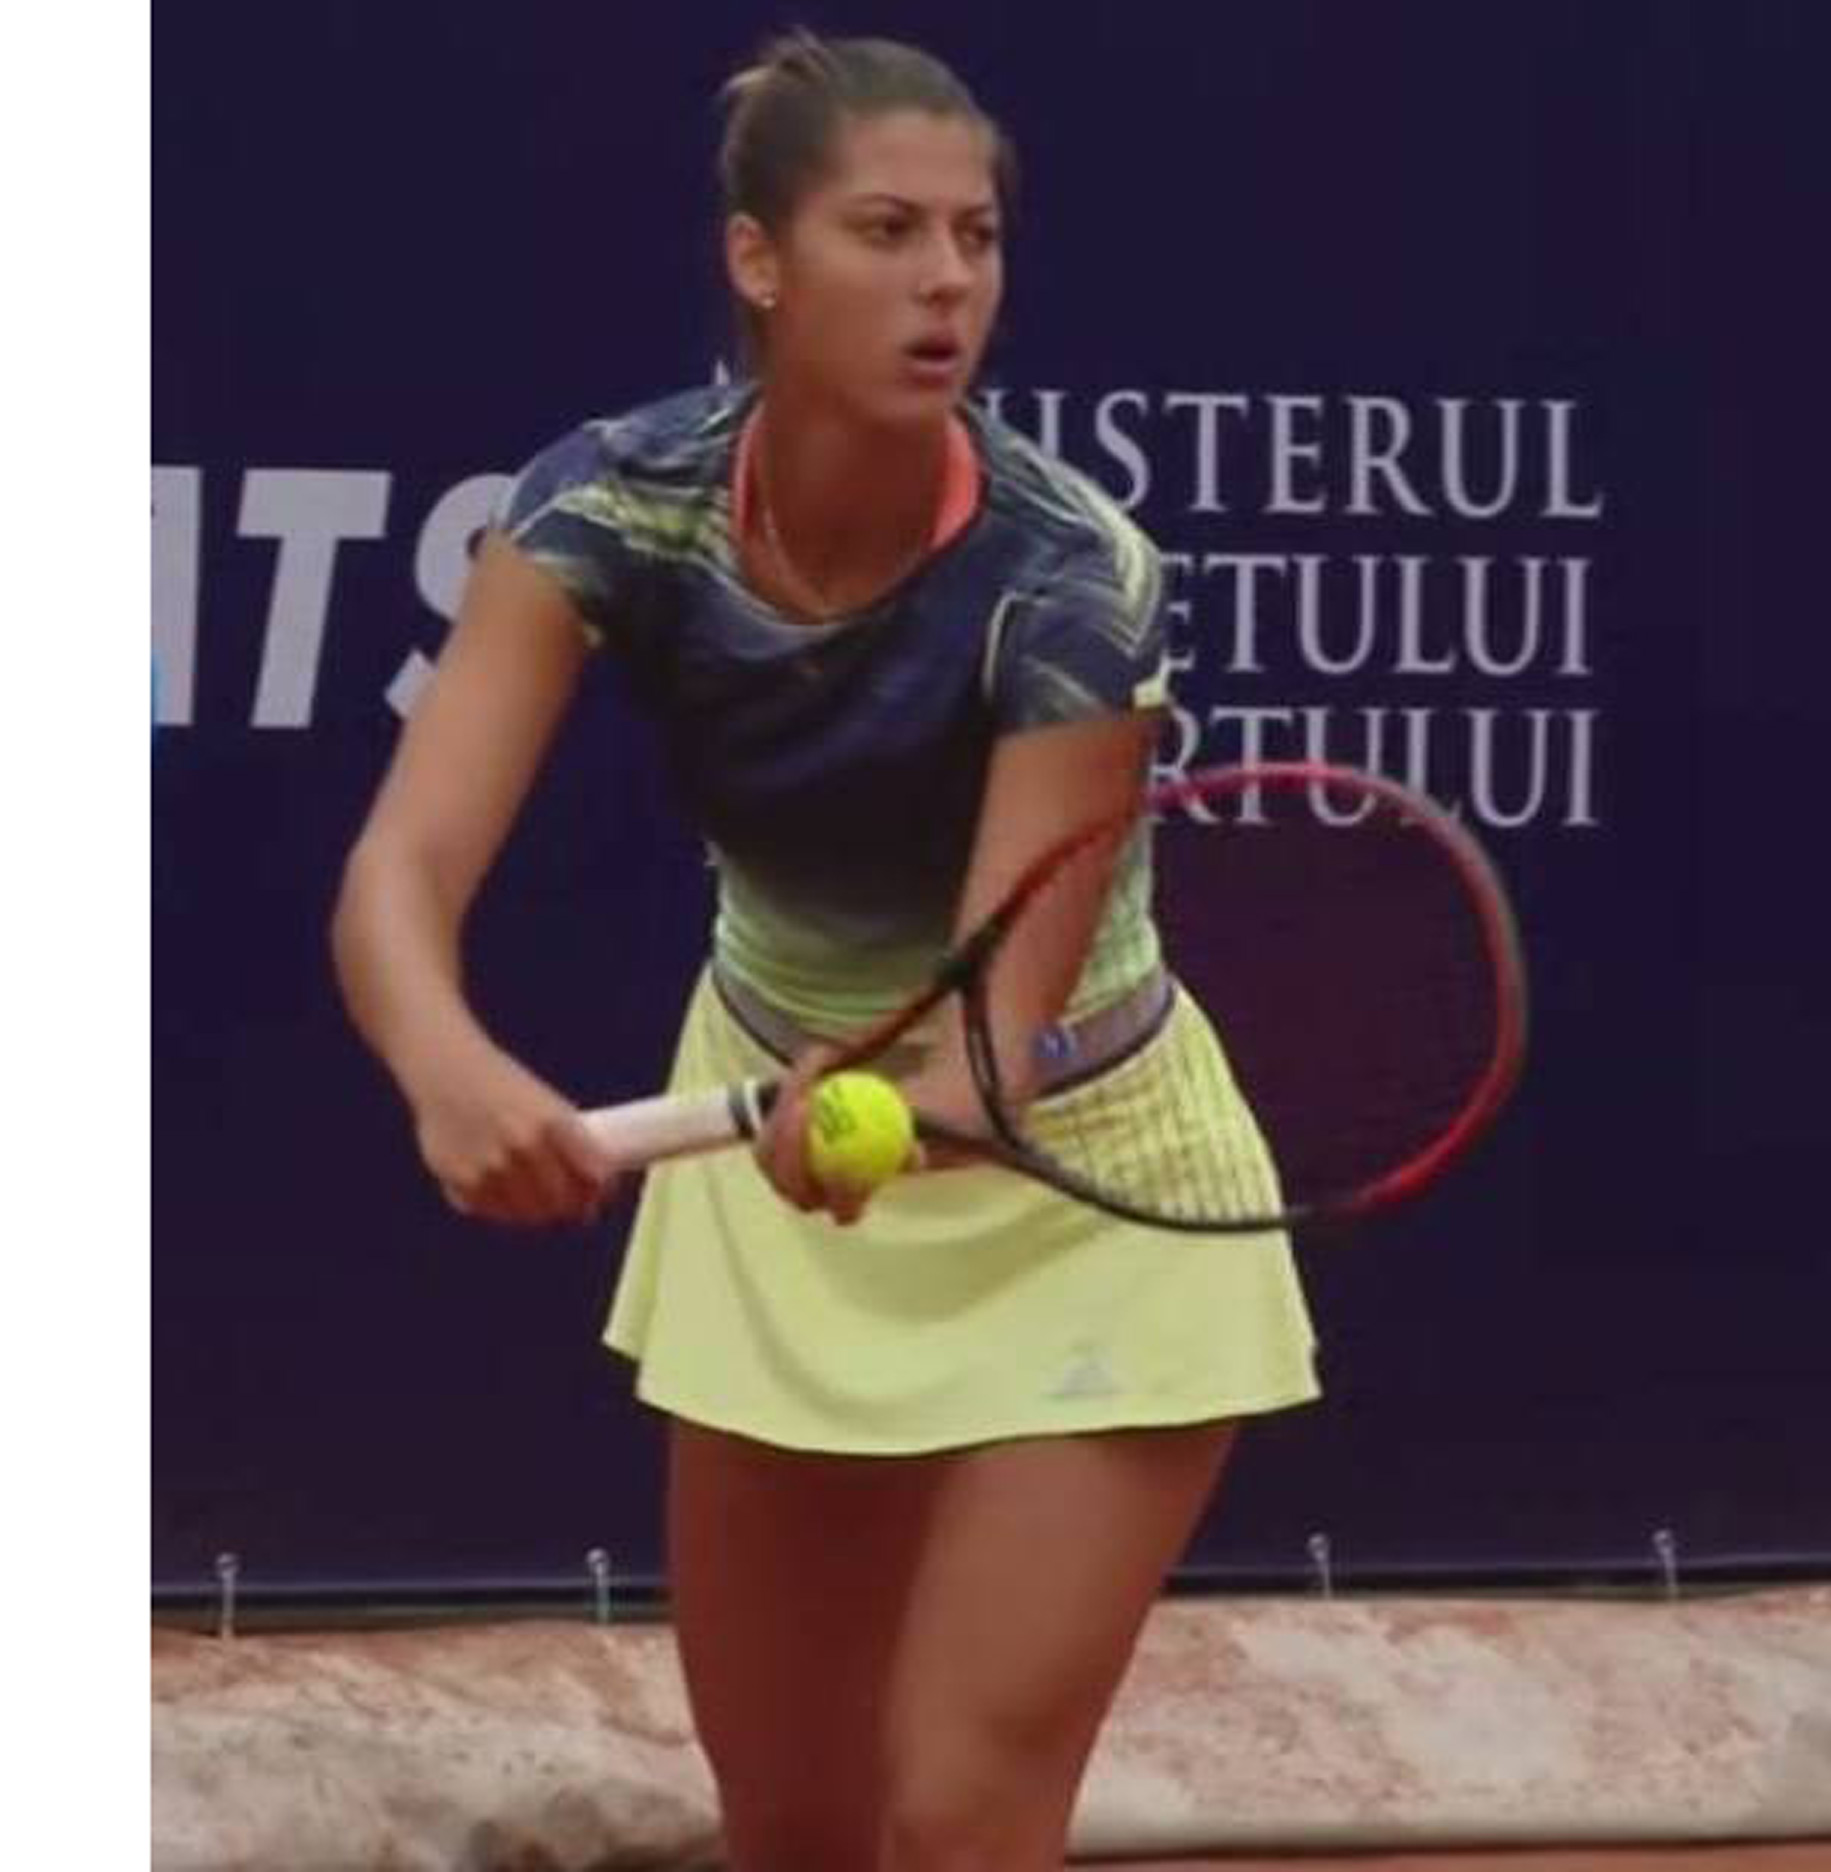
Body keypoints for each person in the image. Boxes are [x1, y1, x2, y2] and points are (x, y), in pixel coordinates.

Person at [332, 31, 1316, 1871]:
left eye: (976, 236)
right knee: (794, 1826)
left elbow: (989, 1048)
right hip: (773, 1149)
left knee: (956, 1814)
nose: (947, 281)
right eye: (885, 230)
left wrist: (880, 1115)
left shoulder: (1070, 574)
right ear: (757, 259)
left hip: (1081, 1179)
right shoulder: (607, 508)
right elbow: (400, 870)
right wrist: (447, 1067)